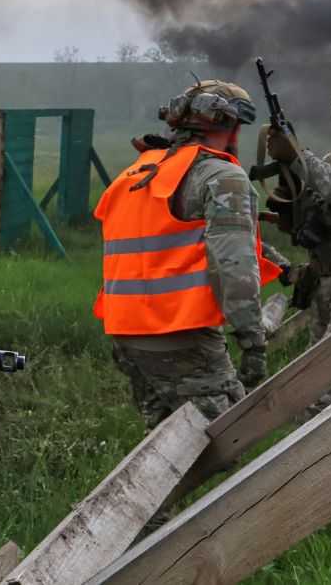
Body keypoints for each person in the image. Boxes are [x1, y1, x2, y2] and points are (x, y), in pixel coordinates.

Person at [94, 79, 282, 430]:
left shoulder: (136, 172)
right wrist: (253, 341)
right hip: (182, 334)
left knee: (165, 444)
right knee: (225, 441)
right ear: (234, 129)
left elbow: (166, 241)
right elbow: (233, 266)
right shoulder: (221, 176)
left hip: (125, 333)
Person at [265, 73, 331, 416]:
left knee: (327, 386)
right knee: (324, 382)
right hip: (326, 283)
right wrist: (289, 196)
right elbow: (317, 206)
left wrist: (299, 157)